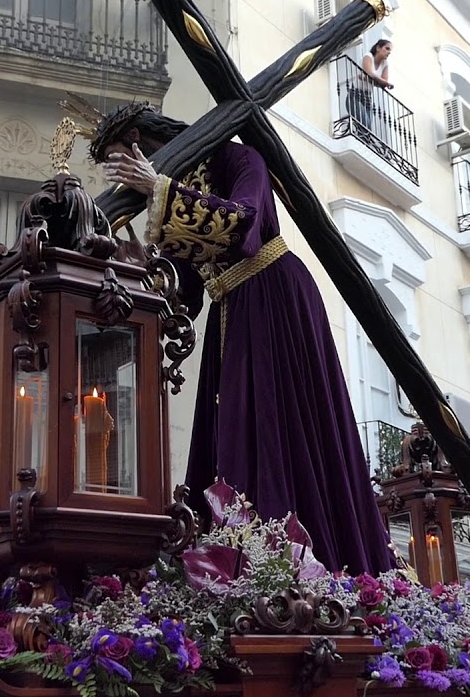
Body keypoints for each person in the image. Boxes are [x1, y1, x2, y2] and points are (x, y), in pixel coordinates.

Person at [92, 103, 397, 575]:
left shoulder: (238, 159)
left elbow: (245, 223)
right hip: (230, 310)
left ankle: (298, 558)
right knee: (233, 426)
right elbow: (186, 292)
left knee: (280, 422)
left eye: (124, 162)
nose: (128, 178)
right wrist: (141, 267)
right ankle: (238, 557)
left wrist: (159, 190)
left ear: (140, 144)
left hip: (275, 295)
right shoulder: (167, 196)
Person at [349, 39, 393, 136]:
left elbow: (383, 84)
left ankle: (361, 142)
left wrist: (371, 79)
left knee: (365, 128)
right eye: (387, 48)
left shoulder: (385, 64)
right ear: (378, 48)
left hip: (368, 98)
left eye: (390, 50)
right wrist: (378, 81)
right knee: (366, 125)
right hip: (355, 95)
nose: (389, 52)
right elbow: (370, 73)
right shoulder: (368, 56)